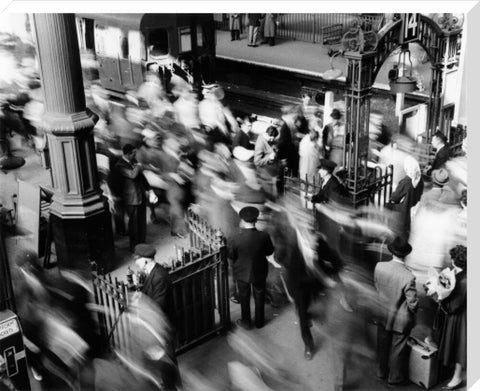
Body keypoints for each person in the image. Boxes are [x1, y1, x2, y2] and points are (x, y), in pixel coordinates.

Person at [374, 236, 418, 387]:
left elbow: (377, 288)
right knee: (397, 349)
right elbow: (412, 303)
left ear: (392, 252)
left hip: (382, 313)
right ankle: (395, 379)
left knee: (382, 344)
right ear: (405, 255)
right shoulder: (408, 276)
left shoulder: (379, 266)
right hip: (400, 319)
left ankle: (381, 372)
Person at [228, 206, 277, 329]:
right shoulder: (264, 236)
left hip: (242, 273)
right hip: (259, 271)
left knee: (244, 298)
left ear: (243, 221)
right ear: (256, 221)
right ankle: (259, 322)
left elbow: (232, 256)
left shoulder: (235, 239)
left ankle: (246, 322)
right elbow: (269, 252)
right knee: (259, 296)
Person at [435, 245, 466, 390]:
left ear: (453, 260)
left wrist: (440, 297)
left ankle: (457, 378)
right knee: (459, 345)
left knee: (459, 346)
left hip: (460, 318)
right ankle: (455, 374)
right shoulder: (463, 274)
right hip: (464, 315)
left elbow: (454, 307)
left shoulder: (462, 281)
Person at [113, 144, 149, 251]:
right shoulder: (120, 165)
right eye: (134, 153)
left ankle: (142, 243)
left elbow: (141, 177)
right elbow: (132, 175)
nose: (135, 155)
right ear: (128, 154)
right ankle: (134, 247)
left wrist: (148, 189)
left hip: (140, 196)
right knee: (134, 224)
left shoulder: (133, 161)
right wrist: (138, 165)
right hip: (131, 199)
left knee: (142, 223)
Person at [386, 156, 424, 240]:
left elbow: (395, 197)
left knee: (396, 233)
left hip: (401, 212)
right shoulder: (419, 179)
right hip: (410, 210)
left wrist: (395, 189)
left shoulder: (406, 181)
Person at [134, 244, 173, 320]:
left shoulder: (159, 278)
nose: (136, 263)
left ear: (145, 261)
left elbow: (158, 307)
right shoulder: (152, 271)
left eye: (137, 259)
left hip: (162, 324)